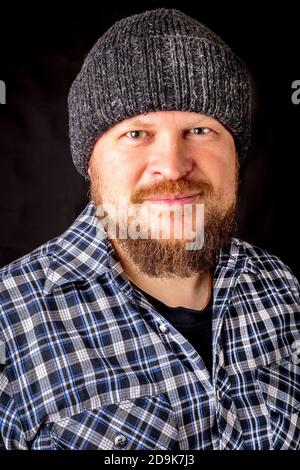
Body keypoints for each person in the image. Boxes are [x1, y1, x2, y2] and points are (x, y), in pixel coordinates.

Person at [0, 7, 299, 450]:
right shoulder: (9, 324)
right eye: (137, 134)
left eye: (200, 129)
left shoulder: (285, 288)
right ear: (91, 162)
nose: (173, 166)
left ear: (236, 156)